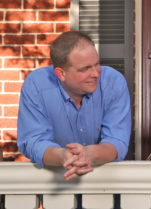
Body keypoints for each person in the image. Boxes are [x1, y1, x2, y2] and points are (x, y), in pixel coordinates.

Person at [17, 31, 131, 181]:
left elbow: (117, 141)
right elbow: (33, 142)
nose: (96, 73)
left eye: (97, 64)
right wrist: (63, 156)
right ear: (61, 74)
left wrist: (87, 154)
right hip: (58, 181)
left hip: (105, 184)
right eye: (85, 69)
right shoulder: (36, 85)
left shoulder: (114, 82)